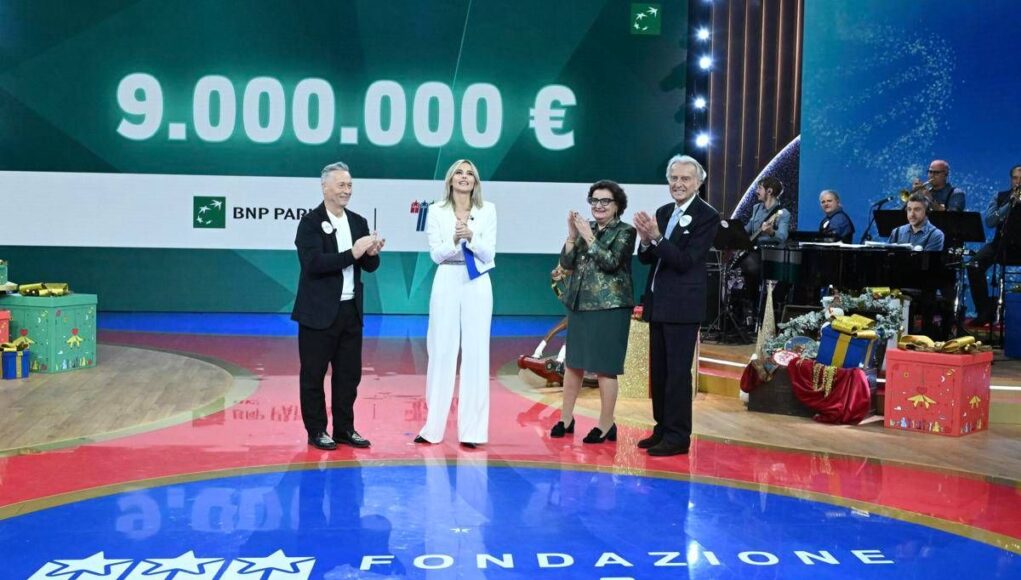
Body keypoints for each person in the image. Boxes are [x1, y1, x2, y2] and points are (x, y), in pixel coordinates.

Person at [292, 162, 384, 450]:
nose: (347, 190)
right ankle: (317, 430)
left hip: (350, 311)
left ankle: (344, 428)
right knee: (313, 375)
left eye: (349, 185)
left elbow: (369, 266)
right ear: (325, 187)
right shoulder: (310, 223)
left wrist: (371, 253)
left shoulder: (357, 222)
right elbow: (314, 264)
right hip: (318, 313)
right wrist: (352, 253)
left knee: (348, 375)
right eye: (341, 185)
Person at [633, 155, 720, 457]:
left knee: (678, 374)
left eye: (685, 179)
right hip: (658, 304)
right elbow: (647, 258)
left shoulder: (706, 215)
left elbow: (685, 261)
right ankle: (662, 428)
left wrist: (657, 238)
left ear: (698, 183)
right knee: (659, 373)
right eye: (674, 178)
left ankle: (678, 436)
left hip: (683, 308)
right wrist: (646, 240)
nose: (678, 184)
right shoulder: (664, 211)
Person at [415, 159, 497, 449]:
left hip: (478, 282)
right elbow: (436, 254)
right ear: (450, 180)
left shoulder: (488, 210)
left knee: (476, 353)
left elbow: (489, 253)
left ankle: (473, 431)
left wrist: (471, 238)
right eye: (459, 173)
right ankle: (432, 428)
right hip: (447, 278)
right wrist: (454, 240)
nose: (464, 177)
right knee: (441, 350)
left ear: (476, 181)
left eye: (470, 173)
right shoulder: (436, 210)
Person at [550, 180, 637, 444]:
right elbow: (566, 264)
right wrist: (572, 235)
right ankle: (566, 418)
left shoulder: (625, 232)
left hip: (610, 307)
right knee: (573, 363)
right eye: (594, 200)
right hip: (579, 305)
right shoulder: (584, 229)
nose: (598, 206)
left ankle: (606, 424)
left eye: (605, 201)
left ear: (617, 205)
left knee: (604, 368)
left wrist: (588, 236)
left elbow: (611, 262)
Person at [968, 164, 1021, 326]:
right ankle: (984, 311)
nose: (1018, 182)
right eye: (1015, 178)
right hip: (1001, 244)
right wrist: (1009, 204)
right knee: (974, 265)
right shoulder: (1000, 197)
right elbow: (990, 221)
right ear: (1011, 180)